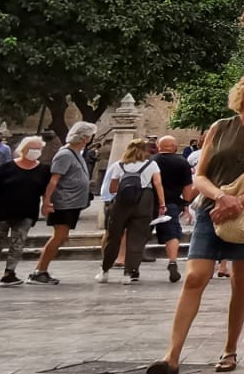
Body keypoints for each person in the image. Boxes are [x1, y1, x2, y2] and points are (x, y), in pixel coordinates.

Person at [147, 68, 244, 374]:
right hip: (211, 208)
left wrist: (239, 201)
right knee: (195, 277)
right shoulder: (220, 127)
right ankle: (171, 356)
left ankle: (230, 348)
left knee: (241, 279)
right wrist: (221, 197)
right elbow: (199, 174)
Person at [0, 135, 50, 287]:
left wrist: (46, 204)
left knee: (18, 243)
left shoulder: (44, 170)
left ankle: (9, 273)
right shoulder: (7, 167)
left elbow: (46, 190)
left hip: (26, 211)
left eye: (39, 149)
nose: (36, 151)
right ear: (23, 149)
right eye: (33, 148)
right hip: (1, 210)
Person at [27, 121, 96, 285]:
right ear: (84, 137)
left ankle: (41, 270)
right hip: (64, 202)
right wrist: (47, 201)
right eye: (90, 136)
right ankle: (39, 271)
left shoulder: (76, 153)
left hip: (72, 202)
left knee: (62, 237)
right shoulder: (65, 154)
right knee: (59, 236)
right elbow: (54, 179)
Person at [97, 137, 167, 285]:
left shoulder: (119, 165)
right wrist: (162, 204)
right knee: (137, 239)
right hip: (144, 201)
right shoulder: (151, 164)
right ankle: (128, 274)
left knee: (114, 237)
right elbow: (158, 184)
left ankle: (105, 271)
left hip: (122, 202)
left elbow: (113, 189)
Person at [152, 136, 195, 284]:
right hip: (171, 203)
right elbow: (187, 187)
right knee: (172, 233)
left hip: (150, 202)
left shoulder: (152, 161)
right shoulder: (182, 162)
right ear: (175, 147)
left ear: (159, 147)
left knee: (141, 231)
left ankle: (133, 264)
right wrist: (186, 204)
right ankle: (172, 261)